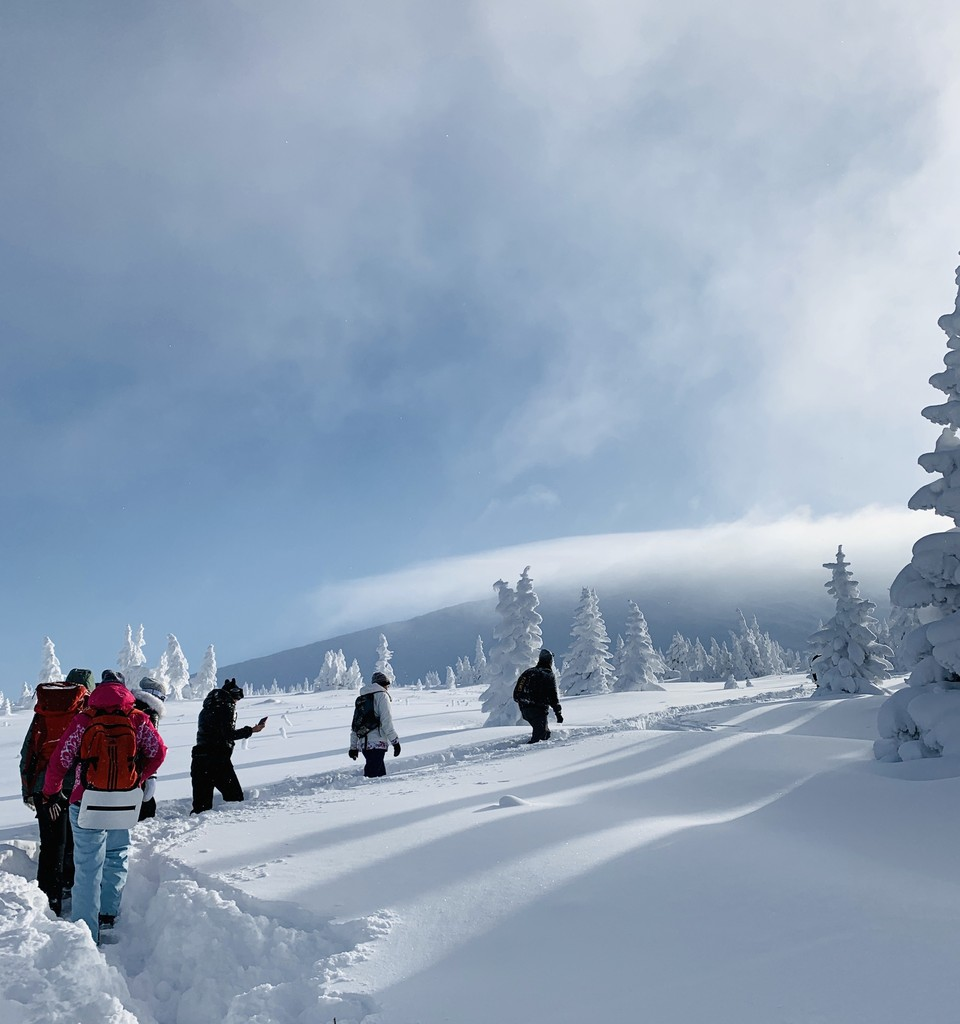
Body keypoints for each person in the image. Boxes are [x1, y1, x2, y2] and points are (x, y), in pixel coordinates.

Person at [41, 669, 166, 944]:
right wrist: (139, 779)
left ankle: (86, 930)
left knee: (87, 864)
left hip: (87, 799)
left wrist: (50, 793)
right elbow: (158, 752)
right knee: (117, 852)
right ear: (125, 691)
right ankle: (108, 914)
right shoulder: (137, 717)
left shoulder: (84, 719)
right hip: (124, 801)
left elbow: (61, 760)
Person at [19, 667, 94, 916]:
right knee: (75, 839)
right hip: (78, 786)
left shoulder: (45, 710)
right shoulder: (87, 711)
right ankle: (70, 886)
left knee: (51, 844)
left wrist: (28, 790)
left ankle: (48, 899)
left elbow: (28, 752)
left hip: (44, 786)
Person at [190, 677, 267, 814]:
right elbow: (228, 734)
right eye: (237, 699)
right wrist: (251, 730)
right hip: (217, 760)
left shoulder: (207, 708)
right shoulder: (227, 706)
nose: (236, 702)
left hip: (199, 759)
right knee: (235, 798)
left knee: (201, 807)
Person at [348, 671, 401, 778]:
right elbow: (386, 721)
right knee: (374, 778)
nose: (388, 688)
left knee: (377, 774)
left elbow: (355, 724)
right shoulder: (382, 696)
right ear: (383, 684)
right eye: (387, 685)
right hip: (378, 742)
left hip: (364, 744)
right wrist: (395, 742)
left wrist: (353, 747)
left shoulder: (362, 699)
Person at [130, 676, 169, 820]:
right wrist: (151, 776)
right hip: (140, 769)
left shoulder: (132, 706)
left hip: (126, 764)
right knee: (145, 809)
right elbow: (153, 748)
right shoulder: (152, 711)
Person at [513, 649, 563, 743]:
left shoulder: (528, 672)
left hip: (524, 709)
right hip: (538, 710)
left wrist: (523, 702)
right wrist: (558, 713)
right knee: (541, 737)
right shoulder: (547, 674)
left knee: (544, 733)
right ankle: (527, 754)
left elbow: (517, 692)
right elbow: (553, 696)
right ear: (550, 661)